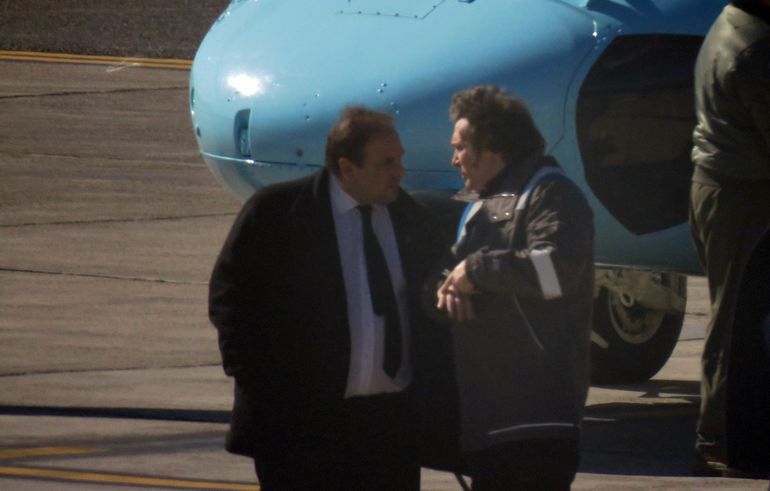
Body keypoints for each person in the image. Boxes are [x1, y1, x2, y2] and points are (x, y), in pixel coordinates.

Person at [209, 106, 442, 490]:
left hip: (388, 429)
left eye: (400, 159)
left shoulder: (411, 219)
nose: (400, 172)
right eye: (386, 163)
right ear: (347, 168)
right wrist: (258, 382)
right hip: (301, 427)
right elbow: (230, 300)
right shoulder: (278, 215)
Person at [434, 85, 594, 490]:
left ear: (492, 147)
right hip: (489, 421)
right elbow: (455, 273)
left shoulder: (551, 194)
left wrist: (476, 270)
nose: (454, 159)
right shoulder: (478, 206)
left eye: (461, 147)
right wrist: (446, 288)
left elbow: (556, 271)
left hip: (538, 423)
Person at [689, 0, 770, 477]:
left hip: (720, 185)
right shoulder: (755, 46)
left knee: (735, 314)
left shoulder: (727, 22)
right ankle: (716, 437)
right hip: (742, 194)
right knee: (734, 319)